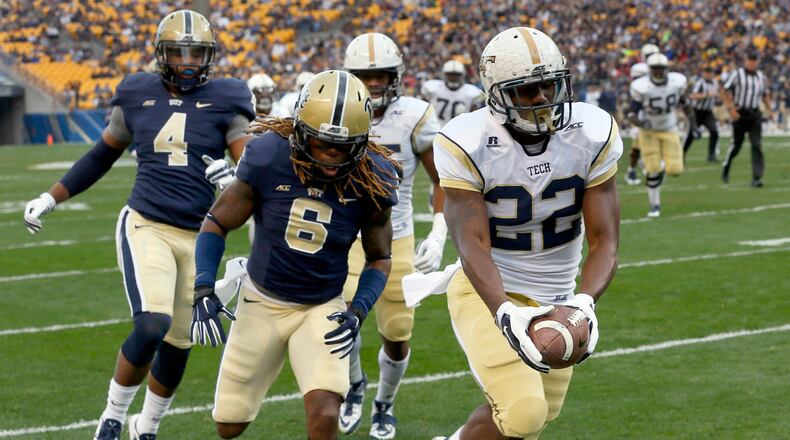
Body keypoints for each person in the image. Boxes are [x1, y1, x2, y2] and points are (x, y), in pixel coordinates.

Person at [22, 10, 255, 440]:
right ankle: (111, 416)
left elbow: (253, 165)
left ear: (210, 57)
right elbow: (100, 156)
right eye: (178, 52)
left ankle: (145, 426)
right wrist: (51, 196)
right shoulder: (136, 92)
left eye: (196, 53)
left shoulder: (229, 97)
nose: (187, 62)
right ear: (161, 54)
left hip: (201, 233)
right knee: (152, 324)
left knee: (180, 344)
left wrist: (238, 177)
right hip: (146, 224)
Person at [432, 26, 621, 440]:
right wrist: (503, 310)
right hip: (488, 290)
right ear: (496, 94)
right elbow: (471, 241)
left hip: (558, 293)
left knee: (532, 418)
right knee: (524, 413)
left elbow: (605, 239)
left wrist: (585, 303)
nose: (541, 99)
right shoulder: (465, 140)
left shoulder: (592, 130)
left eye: (549, 86)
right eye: (526, 91)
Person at [188, 70, 399, 440]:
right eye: (321, 143)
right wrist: (203, 287)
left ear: (362, 142)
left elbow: (380, 257)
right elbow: (216, 221)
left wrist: (359, 309)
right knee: (229, 424)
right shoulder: (269, 155)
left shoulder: (373, 178)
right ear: (301, 132)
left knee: (325, 410)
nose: (332, 155)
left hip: (321, 305)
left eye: (344, 145)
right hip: (261, 300)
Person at [339, 32, 444, 440]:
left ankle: (384, 402)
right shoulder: (333, 108)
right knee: (340, 317)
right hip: (343, 235)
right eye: (365, 77)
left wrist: (438, 233)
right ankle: (353, 386)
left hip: (395, 236)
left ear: (395, 76)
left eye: (381, 76)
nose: (374, 86)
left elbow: (443, 182)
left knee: (397, 334)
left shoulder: (414, 115)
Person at [629, 53, 687, 217]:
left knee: (675, 170)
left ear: (666, 69)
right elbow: (632, 113)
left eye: (660, 69)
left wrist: (693, 124)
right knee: (652, 168)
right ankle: (655, 205)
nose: (658, 72)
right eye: (655, 69)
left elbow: (685, 103)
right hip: (649, 130)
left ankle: (660, 170)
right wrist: (641, 123)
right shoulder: (642, 86)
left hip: (669, 127)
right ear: (650, 70)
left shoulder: (677, 83)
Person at [720, 51, 775, 187]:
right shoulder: (737, 74)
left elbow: (765, 94)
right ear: (746, 61)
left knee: (757, 145)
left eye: (754, 61)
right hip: (740, 114)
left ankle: (756, 178)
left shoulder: (761, 77)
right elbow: (724, 90)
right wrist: (731, 109)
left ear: (757, 62)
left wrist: (770, 110)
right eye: (750, 61)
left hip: (755, 115)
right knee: (736, 146)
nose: (752, 63)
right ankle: (726, 166)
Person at [624, 43, 660, 186]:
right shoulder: (639, 69)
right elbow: (638, 88)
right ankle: (632, 171)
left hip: (653, 109)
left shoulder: (656, 69)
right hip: (640, 109)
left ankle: (644, 168)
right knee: (637, 145)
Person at [420, 59, 485, 127]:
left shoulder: (472, 92)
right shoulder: (432, 87)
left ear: (462, 75)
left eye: (456, 75)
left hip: (459, 130)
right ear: (444, 74)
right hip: (435, 128)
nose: (453, 77)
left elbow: (474, 116)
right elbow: (422, 109)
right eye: (450, 74)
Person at [683, 65, 720, 162]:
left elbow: (716, 94)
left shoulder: (715, 82)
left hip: (708, 112)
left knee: (714, 132)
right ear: (704, 73)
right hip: (696, 112)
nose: (709, 75)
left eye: (710, 72)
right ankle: (682, 154)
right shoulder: (699, 83)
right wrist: (706, 95)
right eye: (707, 73)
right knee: (692, 134)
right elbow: (693, 95)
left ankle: (711, 155)